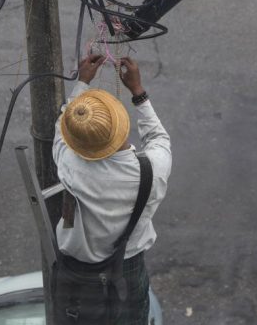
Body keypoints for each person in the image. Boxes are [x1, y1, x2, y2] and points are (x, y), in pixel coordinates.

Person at [52, 53, 171, 324]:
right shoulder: (152, 168)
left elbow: (61, 130)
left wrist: (82, 82)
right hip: (127, 271)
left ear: (77, 143)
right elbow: (158, 137)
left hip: (77, 275)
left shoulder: (69, 165)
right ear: (120, 125)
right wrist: (137, 91)